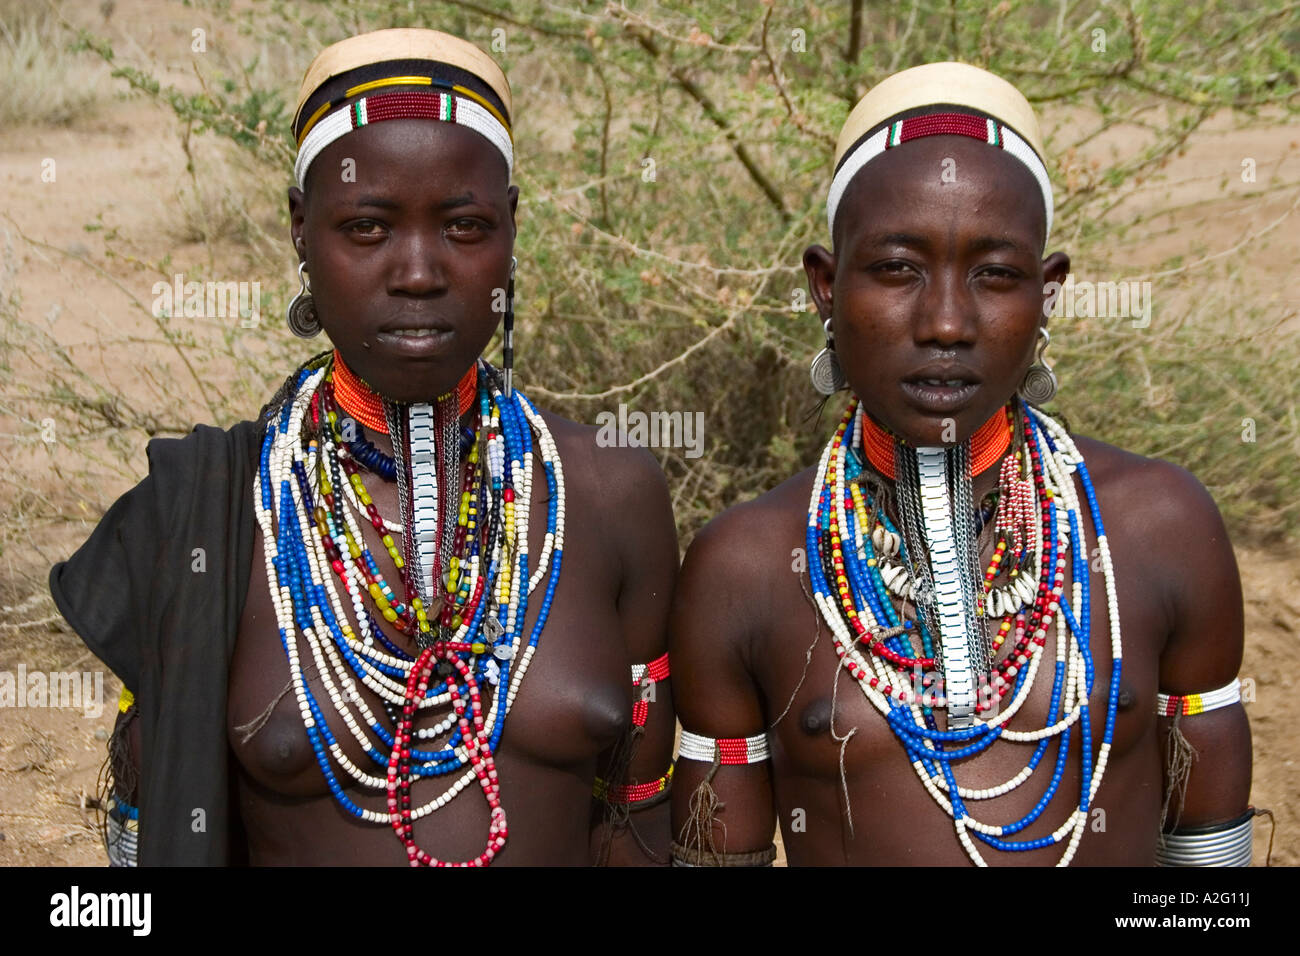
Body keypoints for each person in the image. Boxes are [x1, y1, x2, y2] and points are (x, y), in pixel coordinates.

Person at [49, 28, 678, 866]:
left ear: (512, 231)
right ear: (302, 233)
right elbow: (147, 825)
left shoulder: (607, 492)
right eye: (368, 228)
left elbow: (637, 816)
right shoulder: (210, 511)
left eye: (464, 226)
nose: (418, 272)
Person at [668, 61, 1254, 866]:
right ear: (825, 288)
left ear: (1047, 295)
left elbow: (1206, 868)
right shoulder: (745, 566)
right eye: (897, 269)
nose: (946, 322)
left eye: (996, 276)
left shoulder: (1158, 526)